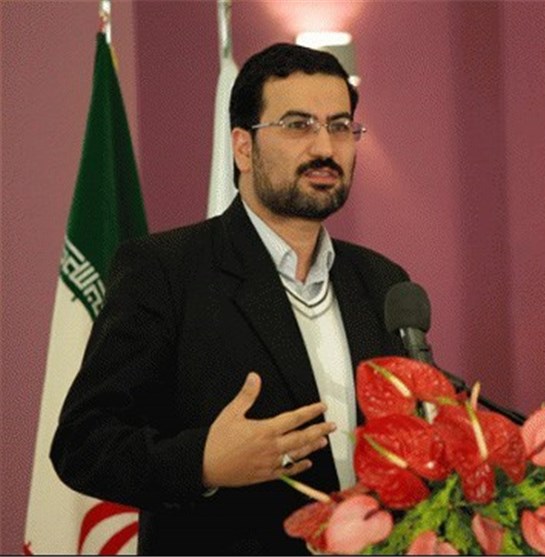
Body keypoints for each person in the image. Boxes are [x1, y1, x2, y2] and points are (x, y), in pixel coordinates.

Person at [50, 43, 409, 555]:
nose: (325, 147)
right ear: (243, 147)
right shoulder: (165, 270)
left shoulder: (381, 281)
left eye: (339, 126)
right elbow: (84, 444)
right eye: (298, 125)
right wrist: (203, 463)